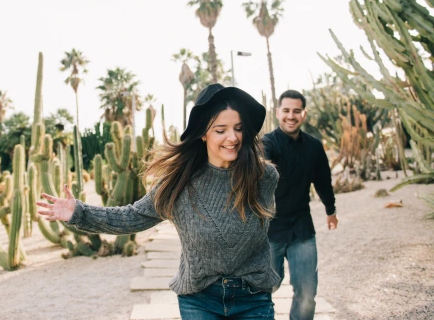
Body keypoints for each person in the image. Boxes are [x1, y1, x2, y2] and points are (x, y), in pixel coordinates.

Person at [37, 83, 280, 319]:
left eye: (238, 128)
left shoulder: (263, 177)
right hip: (200, 299)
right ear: (203, 134)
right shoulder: (179, 184)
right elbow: (133, 216)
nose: (233, 137)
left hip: (253, 297)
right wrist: (79, 212)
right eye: (221, 130)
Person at [262, 90, 338, 320]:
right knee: (266, 288)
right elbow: (257, 175)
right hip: (270, 231)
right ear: (278, 113)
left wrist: (330, 210)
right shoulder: (267, 144)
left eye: (296, 111)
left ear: (304, 114)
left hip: (301, 229)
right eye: (286, 111)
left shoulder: (314, 147)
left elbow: (323, 181)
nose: (291, 116)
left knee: (306, 293)